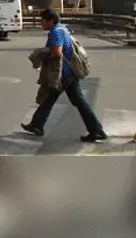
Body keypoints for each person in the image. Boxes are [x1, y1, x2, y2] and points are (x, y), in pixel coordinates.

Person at [21, 8, 107, 142]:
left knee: (77, 101)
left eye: (42, 21)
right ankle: (36, 125)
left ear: (50, 21)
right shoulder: (62, 28)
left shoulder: (56, 32)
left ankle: (96, 130)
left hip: (64, 74)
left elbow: (57, 52)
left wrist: (42, 55)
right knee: (50, 98)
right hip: (66, 73)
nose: (41, 24)